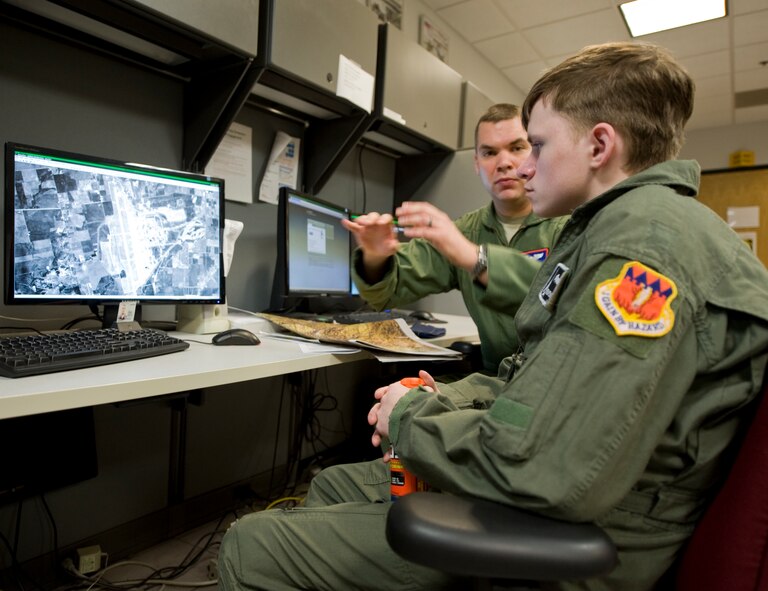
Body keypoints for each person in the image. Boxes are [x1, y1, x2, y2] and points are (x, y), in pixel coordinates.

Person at [218, 42, 768, 591]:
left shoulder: (641, 251)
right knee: (336, 487)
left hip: (587, 536)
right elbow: (534, 377)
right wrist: (439, 399)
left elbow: (547, 467)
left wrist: (411, 418)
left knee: (250, 546)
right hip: (586, 497)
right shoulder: (618, 229)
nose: (522, 166)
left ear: (600, 145)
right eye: (495, 152)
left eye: (538, 144)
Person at [343, 103, 567, 373]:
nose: (504, 162)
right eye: (489, 152)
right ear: (476, 163)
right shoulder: (466, 232)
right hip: (494, 380)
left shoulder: (568, 225)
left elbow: (565, 304)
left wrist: (475, 258)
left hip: (554, 383)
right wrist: (376, 256)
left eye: (517, 148)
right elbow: (392, 287)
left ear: (535, 151)